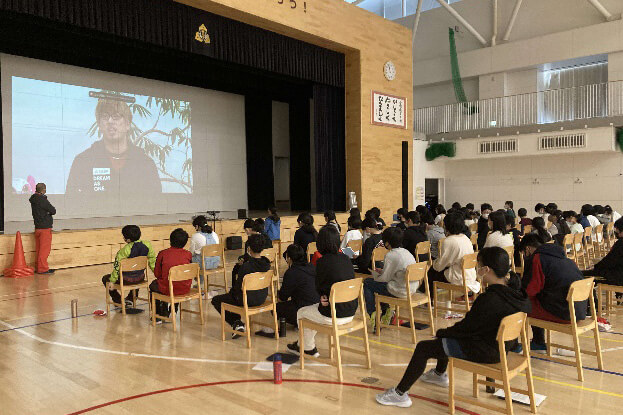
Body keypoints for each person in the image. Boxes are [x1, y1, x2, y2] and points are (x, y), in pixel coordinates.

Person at [375, 247, 530, 408]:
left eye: (478, 266)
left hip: (487, 351)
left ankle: (400, 393)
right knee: (446, 338)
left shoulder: (489, 299)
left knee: (424, 347)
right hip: (502, 347)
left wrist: (443, 332)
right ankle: (438, 374)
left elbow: (465, 329)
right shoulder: (517, 293)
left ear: (486, 269)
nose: (476, 269)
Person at [65, 99, 161, 196]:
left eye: (116, 116)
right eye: (105, 116)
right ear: (99, 124)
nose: (110, 121)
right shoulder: (83, 161)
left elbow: (157, 203)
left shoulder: (145, 163)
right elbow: (71, 202)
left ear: (128, 124)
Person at [287, 226, 358, 357]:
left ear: (320, 243)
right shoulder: (346, 259)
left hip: (334, 313)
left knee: (302, 313)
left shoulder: (322, 262)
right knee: (311, 311)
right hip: (351, 310)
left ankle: (307, 347)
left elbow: (320, 289)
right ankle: (305, 345)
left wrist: (323, 297)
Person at [519, 234, 587, 352]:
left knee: (520, 303)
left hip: (564, 312)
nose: (525, 257)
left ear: (528, 249)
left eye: (524, 253)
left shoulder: (538, 259)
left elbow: (530, 290)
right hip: (579, 311)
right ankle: (537, 342)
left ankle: (533, 343)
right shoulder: (565, 257)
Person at [211, 234, 271, 336]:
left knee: (217, 300)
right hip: (262, 297)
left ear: (249, 248)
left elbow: (238, 288)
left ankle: (236, 323)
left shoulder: (246, 267)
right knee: (232, 297)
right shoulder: (267, 264)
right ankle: (237, 323)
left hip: (247, 300)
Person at [256, 244, 319, 336]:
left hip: (304, 308)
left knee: (276, 309)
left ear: (289, 258)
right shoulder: (312, 267)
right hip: (317, 308)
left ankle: (300, 322)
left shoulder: (291, 272)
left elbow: (283, 297)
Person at [363, 227, 417, 324]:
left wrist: (375, 274)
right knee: (378, 286)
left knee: (367, 283)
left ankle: (373, 314)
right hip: (411, 288)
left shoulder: (391, 255)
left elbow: (384, 279)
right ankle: (386, 312)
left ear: (387, 242)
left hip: (400, 290)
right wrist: (383, 271)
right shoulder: (406, 252)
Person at [102, 225, 157, 307]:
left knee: (105, 278)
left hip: (126, 280)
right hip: (140, 278)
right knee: (136, 272)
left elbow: (117, 267)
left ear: (127, 239)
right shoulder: (147, 245)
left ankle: (118, 301)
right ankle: (131, 299)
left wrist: (112, 281)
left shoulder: (124, 250)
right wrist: (157, 274)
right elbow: (152, 261)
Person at [426, 213, 479, 294]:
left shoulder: (449, 240)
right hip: (470, 275)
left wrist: (434, 264)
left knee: (431, 273)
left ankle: (429, 300)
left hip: (459, 277)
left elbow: (440, 266)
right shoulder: (465, 238)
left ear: (446, 226)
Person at [149, 228, 192, 321]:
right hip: (185, 288)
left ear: (170, 240)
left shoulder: (163, 254)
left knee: (154, 286)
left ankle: (158, 315)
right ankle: (173, 309)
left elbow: (157, 274)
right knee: (175, 282)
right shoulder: (188, 254)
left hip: (168, 288)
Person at [583, 217, 623, 287]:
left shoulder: (620, 243)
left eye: (618, 231)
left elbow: (609, 261)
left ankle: (590, 297)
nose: (617, 234)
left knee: (583, 276)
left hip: (618, 277)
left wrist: (595, 267)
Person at [29, 183, 56, 274]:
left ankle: (38, 267)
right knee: (44, 250)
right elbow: (53, 210)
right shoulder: (42, 199)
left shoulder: (33, 199)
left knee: (39, 249)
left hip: (38, 227)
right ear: (43, 190)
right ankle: (43, 269)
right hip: (45, 227)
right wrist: (48, 214)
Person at [189, 215, 220, 283]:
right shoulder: (214, 234)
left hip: (204, 265)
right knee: (200, 257)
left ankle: (198, 284)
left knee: (191, 259)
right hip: (215, 263)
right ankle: (202, 284)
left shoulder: (195, 236)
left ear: (197, 226)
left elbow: (191, 253)